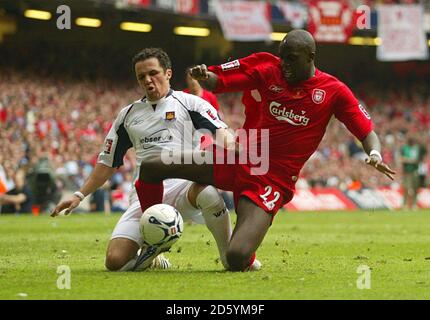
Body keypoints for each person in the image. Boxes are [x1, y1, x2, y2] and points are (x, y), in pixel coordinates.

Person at [133, 30, 396, 271]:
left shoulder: (333, 92)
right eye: (282, 58)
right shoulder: (270, 69)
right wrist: (207, 77)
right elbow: (221, 82)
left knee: (236, 259)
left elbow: (366, 131)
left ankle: (244, 250)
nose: (285, 65)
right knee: (152, 166)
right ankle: (153, 242)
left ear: (310, 57)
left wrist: (374, 154)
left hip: (272, 180)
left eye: (291, 59)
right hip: (239, 157)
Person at [51, 48, 236, 272]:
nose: (148, 80)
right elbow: (108, 162)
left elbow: (222, 133)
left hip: (184, 187)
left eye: (153, 73)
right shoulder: (128, 115)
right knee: (115, 263)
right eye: (141, 77)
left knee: (207, 191)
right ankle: (155, 254)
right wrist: (80, 195)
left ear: (168, 73)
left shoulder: (191, 103)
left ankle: (228, 255)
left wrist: (233, 148)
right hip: (145, 195)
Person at [400, 136, 425, 210]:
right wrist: (411, 160)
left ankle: (414, 204)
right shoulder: (404, 148)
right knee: (406, 188)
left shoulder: (417, 148)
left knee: (415, 188)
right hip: (407, 171)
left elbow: (421, 158)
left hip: (415, 171)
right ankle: (405, 205)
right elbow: (402, 159)